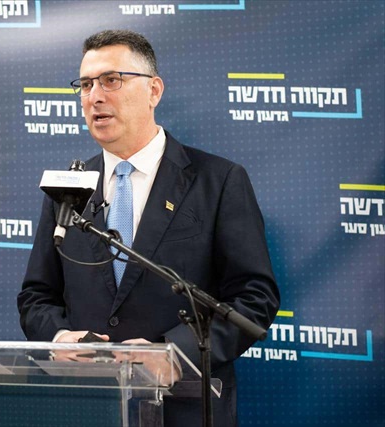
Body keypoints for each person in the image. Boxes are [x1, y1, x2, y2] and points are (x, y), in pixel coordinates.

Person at [17, 29, 280, 427]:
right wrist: (58, 338)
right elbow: (36, 296)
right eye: (85, 85)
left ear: (153, 90)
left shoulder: (218, 180)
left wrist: (174, 353)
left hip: (184, 408)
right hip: (88, 406)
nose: (94, 96)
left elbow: (254, 298)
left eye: (111, 80)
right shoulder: (68, 188)